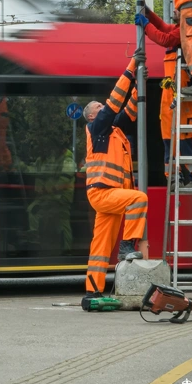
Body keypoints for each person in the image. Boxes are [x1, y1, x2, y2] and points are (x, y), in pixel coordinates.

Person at [81, 56, 148, 310]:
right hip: (103, 192)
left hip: (108, 195)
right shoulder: (97, 127)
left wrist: (139, 83)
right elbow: (115, 102)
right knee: (139, 198)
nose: (103, 107)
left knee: (100, 246)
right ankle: (128, 246)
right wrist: (131, 69)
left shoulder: (114, 131)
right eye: (98, 106)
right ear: (91, 116)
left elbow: (130, 108)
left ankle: (92, 291)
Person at [135, 7, 192, 188]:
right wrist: (149, 14)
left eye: (177, 8)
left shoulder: (186, 30)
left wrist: (146, 25)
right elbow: (165, 29)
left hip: (182, 96)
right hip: (172, 94)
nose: (173, 9)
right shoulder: (178, 29)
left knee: (185, 137)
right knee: (169, 136)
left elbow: (164, 39)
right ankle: (174, 175)